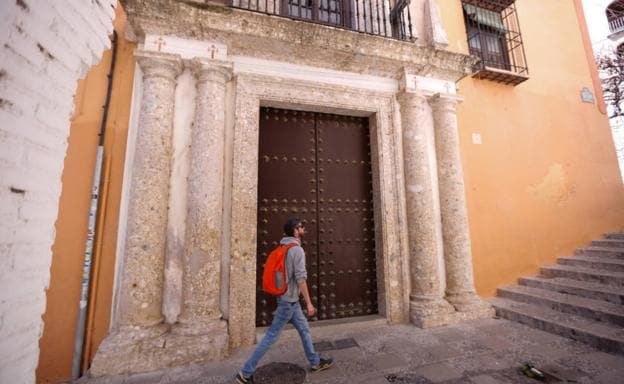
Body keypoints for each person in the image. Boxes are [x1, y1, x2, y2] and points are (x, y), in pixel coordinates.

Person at [235, 218, 334, 383]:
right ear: (296, 230)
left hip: (290, 301)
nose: (304, 229)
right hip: (288, 303)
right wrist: (309, 303)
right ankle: (245, 373)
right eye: (302, 227)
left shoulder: (283, 246)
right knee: (270, 337)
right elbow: (301, 278)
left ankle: (315, 362)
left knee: (304, 330)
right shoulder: (296, 250)